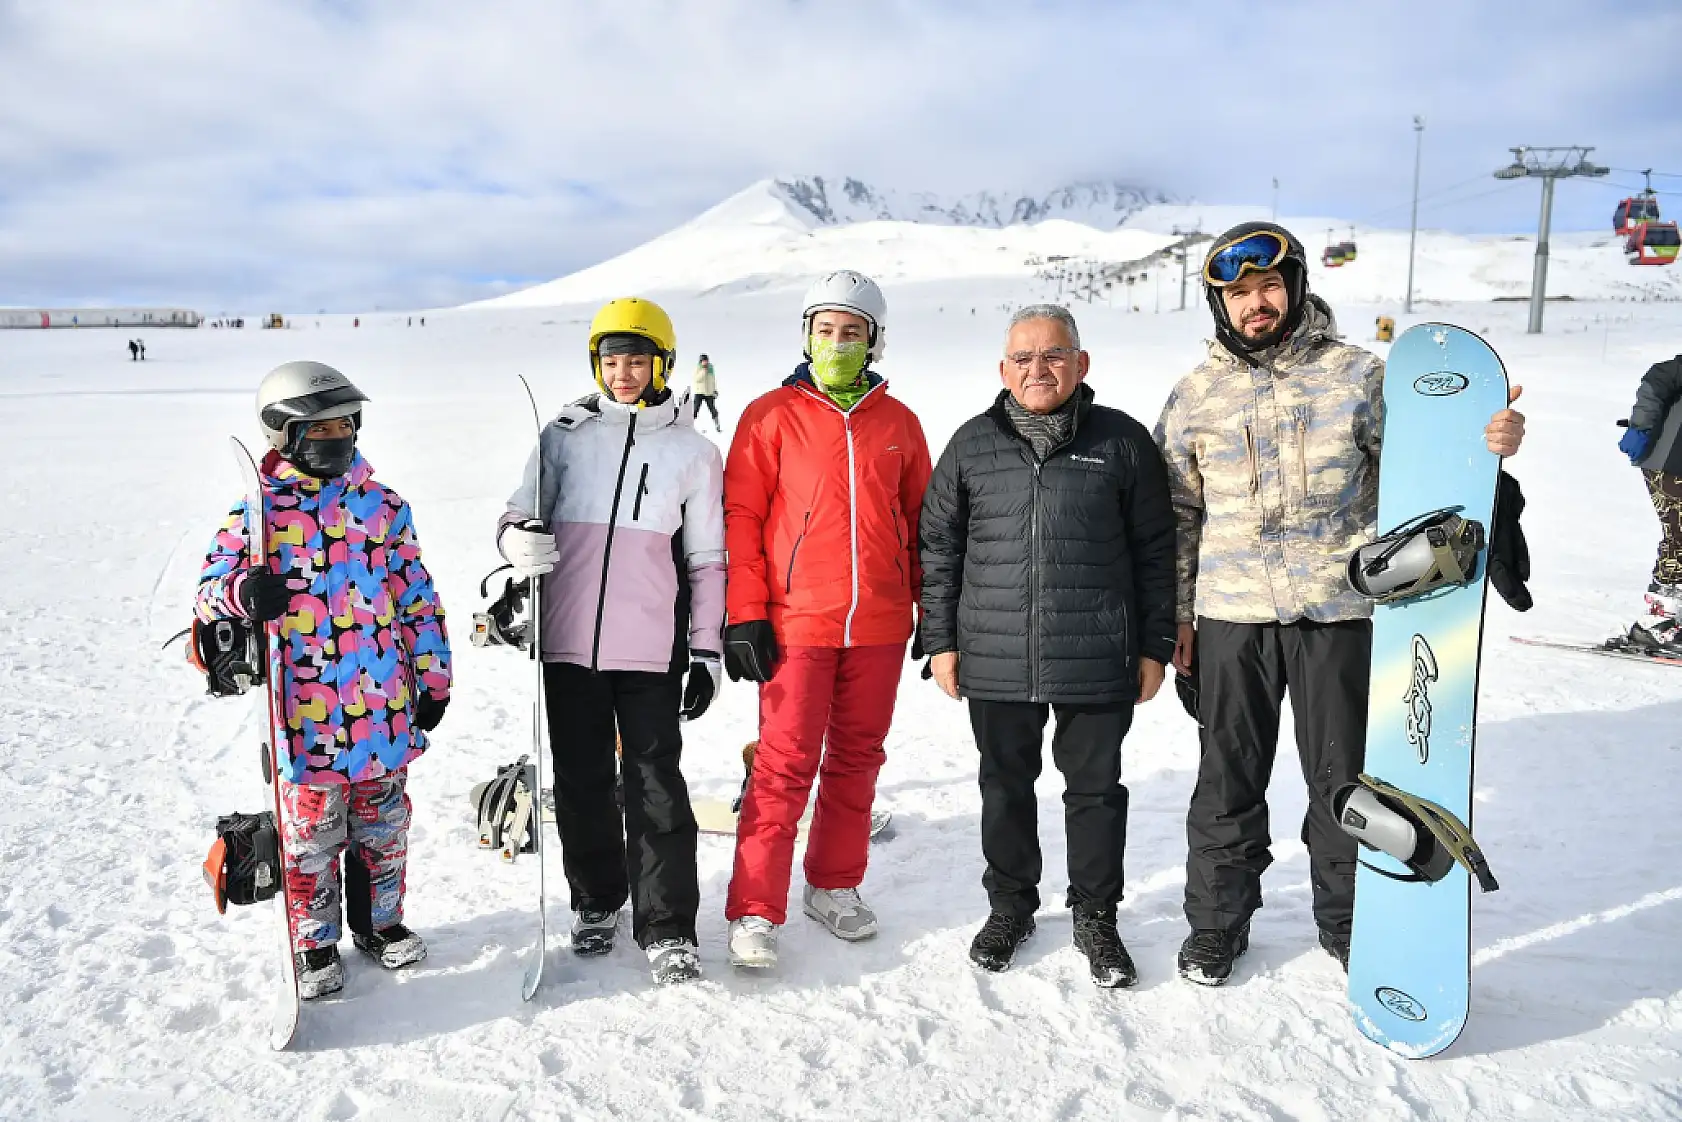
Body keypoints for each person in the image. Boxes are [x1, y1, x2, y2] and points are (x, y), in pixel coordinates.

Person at [1153, 222, 1526, 985]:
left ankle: (1351, 920)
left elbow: (1426, 474)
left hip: (1340, 612)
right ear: (1218, 303)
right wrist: (1178, 619)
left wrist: (1486, 440)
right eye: (1238, 292)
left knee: (1346, 782)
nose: (1256, 303)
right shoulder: (1195, 394)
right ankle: (1217, 925)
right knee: (1227, 779)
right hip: (1232, 615)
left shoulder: (1360, 375)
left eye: (1267, 285)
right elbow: (1177, 515)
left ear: (1293, 286)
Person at [919, 304, 1177, 986]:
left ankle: (1097, 916)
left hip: (1097, 653)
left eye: (1054, 354)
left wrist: (1153, 643)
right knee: (1004, 787)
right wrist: (940, 641)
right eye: (1024, 358)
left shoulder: (1120, 441)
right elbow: (939, 549)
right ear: (1003, 370)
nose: (1039, 369)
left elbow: (1157, 550)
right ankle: (1010, 908)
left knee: (1094, 792)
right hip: (996, 652)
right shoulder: (972, 444)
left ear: (1081, 363)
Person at [195, 361, 452, 1000]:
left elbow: (416, 595)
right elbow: (207, 595)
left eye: (346, 423)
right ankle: (312, 942)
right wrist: (240, 591)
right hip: (303, 717)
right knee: (309, 836)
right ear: (285, 433)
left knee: (384, 825)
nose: (339, 435)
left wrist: (434, 676)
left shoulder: (383, 506)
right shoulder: (256, 513)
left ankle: (380, 923)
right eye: (322, 425)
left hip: (384, 709)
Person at [497, 296, 725, 985]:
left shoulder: (693, 452)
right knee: (582, 782)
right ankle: (596, 901)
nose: (622, 373)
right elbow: (516, 512)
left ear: (664, 364)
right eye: (610, 360)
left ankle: (667, 927)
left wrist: (707, 651)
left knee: (656, 786)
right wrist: (518, 541)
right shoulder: (564, 435)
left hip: (651, 651)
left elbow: (707, 560)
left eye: (637, 360)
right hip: (567, 644)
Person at [721, 269, 932, 970]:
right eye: (825, 329)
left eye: (851, 332)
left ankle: (834, 883)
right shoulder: (769, 416)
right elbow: (742, 518)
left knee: (857, 759)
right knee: (783, 765)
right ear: (806, 334)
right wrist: (746, 612)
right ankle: (755, 906)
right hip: (795, 622)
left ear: (874, 340)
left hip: (877, 622)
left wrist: (931, 608)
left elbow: (921, 523)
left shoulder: (899, 424)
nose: (837, 342)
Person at [1619, 353, 1682, 652]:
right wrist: (1641, 426)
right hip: (1669, 461)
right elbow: (1659, 377)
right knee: (1679, 537)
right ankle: (1655, 623)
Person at [692, 354, 722, 432]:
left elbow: (713, 381)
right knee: (695, 409)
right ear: (700, 361)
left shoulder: (711, 368)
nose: (705, 362)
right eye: (703, 361)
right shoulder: (698, 368)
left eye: (706, 361)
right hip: (699, 392)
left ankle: (717, 425)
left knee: (712, 408)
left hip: (709, 392)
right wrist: (703, 371)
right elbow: (697, 379)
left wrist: (715, 390)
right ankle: (690, 424)